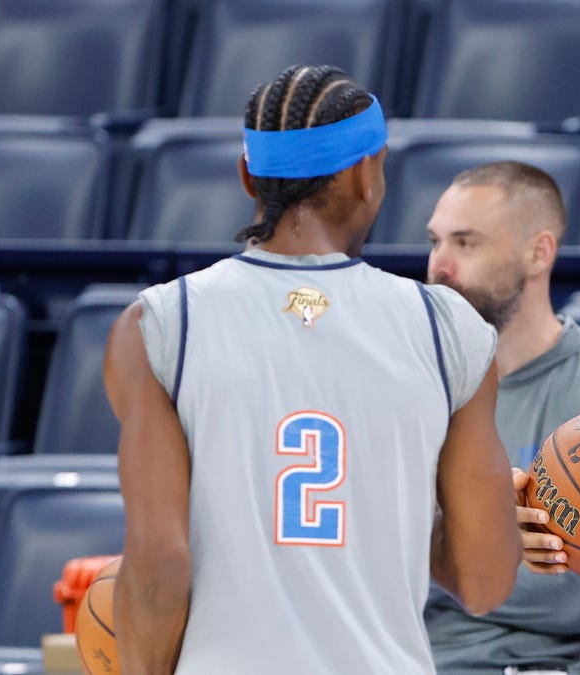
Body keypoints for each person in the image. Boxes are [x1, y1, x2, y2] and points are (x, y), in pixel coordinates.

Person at [104, 65, 521, 674]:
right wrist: (394, 510)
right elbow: (485, 580)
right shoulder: (446, 328)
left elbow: (158, 569)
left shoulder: (158, 326)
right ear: (365, 176)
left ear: (248, 176)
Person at [423, 160, 580, 674]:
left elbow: (576, 601)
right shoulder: (418, 380)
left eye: (466, 243)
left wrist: (419, 550)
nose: (440, 265)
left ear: (538, 252)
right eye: (436, 242)